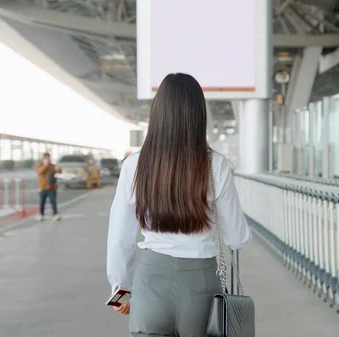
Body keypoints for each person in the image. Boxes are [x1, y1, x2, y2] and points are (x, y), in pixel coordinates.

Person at [106, 73, 251, 336]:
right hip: (202, 282)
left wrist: (120, 292)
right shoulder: (215, 165)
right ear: (198, 115)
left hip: (150, 279)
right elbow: (238, 238)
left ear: (157, 112)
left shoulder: (134, 165)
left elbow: (119, 237)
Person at [36, 152, 62, 221]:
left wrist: (57, 169)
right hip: (43, 187)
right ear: (43, 158)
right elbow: (40, 171)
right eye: (46, 158)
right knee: (42, 202)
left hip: (52, 187)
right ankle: (41, 214)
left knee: (53, 201)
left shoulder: (52, 166)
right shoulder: (40, 165)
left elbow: (59, 171)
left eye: (49, 158)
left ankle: (55, 214)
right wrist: (45, 165)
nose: (48, 159)